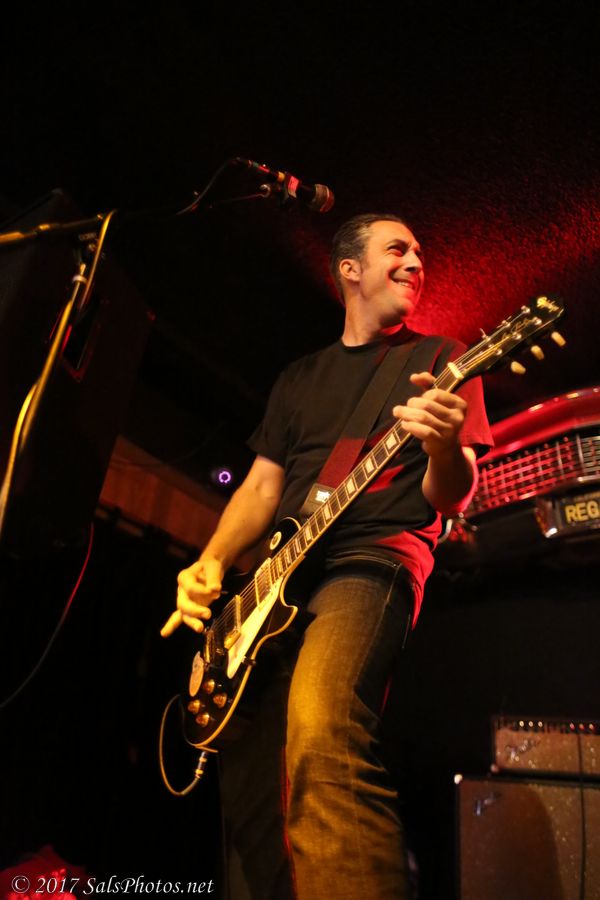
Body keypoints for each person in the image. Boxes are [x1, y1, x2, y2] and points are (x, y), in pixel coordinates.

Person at [161, 213, 492, 899]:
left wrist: (440, 445)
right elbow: (262, 488)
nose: (416, 263)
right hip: (278, 580)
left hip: (371, 559)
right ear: (350, 269)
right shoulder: (300, 378)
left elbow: (452, 494)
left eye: (420, 253)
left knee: (322, 727)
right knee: (253, 773)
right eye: (398, 249)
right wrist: (212, 561)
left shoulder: (442, 358)